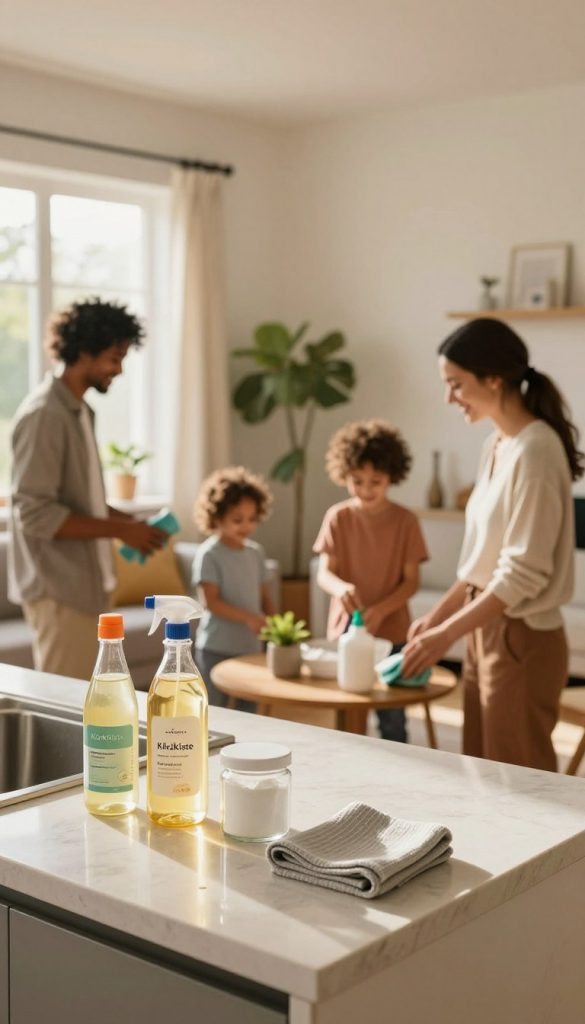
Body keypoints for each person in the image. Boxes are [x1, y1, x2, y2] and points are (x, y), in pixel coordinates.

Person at [402, 318, 583, 771]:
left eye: (456, 384)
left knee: (520, 785)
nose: (449, 398)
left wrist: (447, 634)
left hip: (521, 635)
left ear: (494, 379)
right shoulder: (497, 444)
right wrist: (436, 619)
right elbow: (481, 563)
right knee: (482, 771)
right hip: (484, 626)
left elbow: (522, 573)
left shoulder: (536, 451)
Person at [9, 298, 168, 680]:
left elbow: (80, 501)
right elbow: (34, 513)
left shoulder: (79, 411)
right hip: (59, 590)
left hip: (86, 586)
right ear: (83, 351)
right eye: (114, 357)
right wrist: (121, 530)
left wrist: (125, 521)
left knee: (92, 702)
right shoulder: (45, 415)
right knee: (66, 705)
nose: (119, 369)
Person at [314, 419, 428, 742]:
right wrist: (341, 588)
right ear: (344, 474)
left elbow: (411, 582)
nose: (365, 490)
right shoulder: (338, 517)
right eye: (357, 481)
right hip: (346, 630)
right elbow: (325, 572)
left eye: (375, 481)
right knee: (349, 713)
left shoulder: (406, 521)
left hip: (392, 632)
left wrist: (381, 609)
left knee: (392, 714)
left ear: (392, 476)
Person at [193, 466, 276, 706]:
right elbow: (211, 602)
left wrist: (276, 625)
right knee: (214, 710)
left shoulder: (255, 553)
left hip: (250, 647)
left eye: (252, 519)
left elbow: (264, 597)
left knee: (248, 708)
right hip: (216, 647)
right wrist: (249, 618)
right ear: (217, 517)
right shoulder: (209, 554)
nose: (246, 526)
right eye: (237, 520)